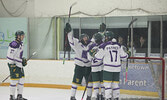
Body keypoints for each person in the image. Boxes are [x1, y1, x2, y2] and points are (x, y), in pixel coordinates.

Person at [90, 31, 129, 100]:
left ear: (107, 37)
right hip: (117, 68)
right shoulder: (118, 45)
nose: (104, 38)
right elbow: (124, 57)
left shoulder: (104, 46)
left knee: (107, 85)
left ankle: (108, 98)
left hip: (108, 68)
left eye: (105, 37)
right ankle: (116, 97)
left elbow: (98, 58)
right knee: (115, 84)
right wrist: (128, 53)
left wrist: (93, 54)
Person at [65, 23, 93, 100]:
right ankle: (72, 96)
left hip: (88, 67)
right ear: (81, 39)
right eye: (84, 38)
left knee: (90, 83)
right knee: (75, 82)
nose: (86, 38)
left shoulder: (91, 44)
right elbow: (70, 38)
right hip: (79, 67)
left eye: (86, 37)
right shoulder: (77, 43)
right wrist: (69, 31)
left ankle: (89, 96)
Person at [7, 30, 27, 100]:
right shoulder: (14, 44)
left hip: (19, 64)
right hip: (13, 64)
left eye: (23, 35)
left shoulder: (21, 44)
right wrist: (21, 61)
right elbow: (10, 57)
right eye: (22, 35)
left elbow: (18, 56)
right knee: (14, 81)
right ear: (18, 36)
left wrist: (22, 61)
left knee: (22, 79)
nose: (23, 36)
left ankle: (19, 96)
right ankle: (12, 97)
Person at [87, 33, 105, 100]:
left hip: (94, 67)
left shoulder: (91, 46)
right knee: (101, 82)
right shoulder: (102, 46)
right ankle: (102, 95)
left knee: (96, 83)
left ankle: (97, 95)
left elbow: (89, 57)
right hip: (101, 67)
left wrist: (92, 56)